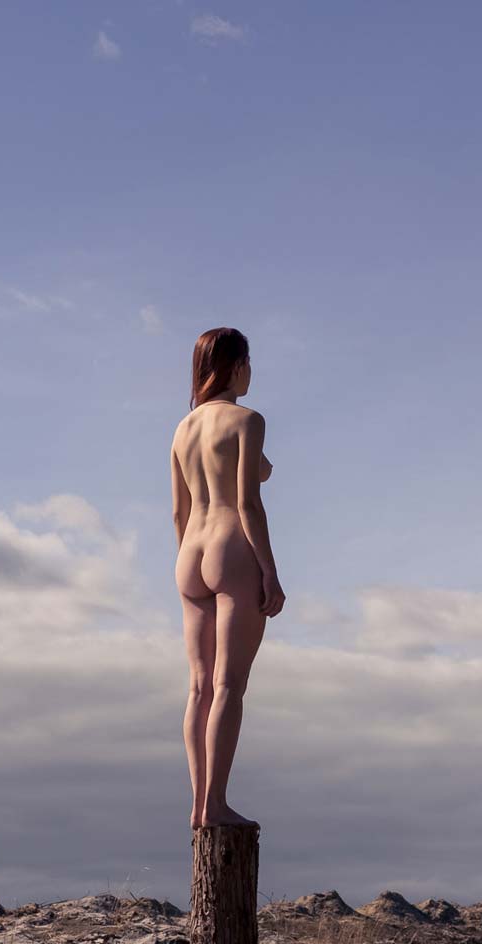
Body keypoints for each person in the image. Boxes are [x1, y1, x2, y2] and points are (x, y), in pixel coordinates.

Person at [172, 326, 284, 831]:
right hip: (230, 546)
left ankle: (199, 804)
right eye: (250, 361)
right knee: (228, 685)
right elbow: (247, 502)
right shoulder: (248, 419)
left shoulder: (183, 429)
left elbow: (178, 511)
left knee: (198, 688)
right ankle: (216, 804)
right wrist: (269, 571)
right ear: (237, 365)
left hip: (189, 553)